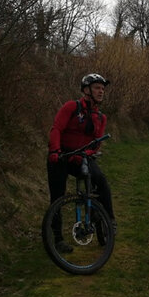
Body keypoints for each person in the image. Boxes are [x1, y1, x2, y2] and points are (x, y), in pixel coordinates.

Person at [47, 73, 115, 253]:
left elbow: (97, 142)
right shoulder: (71, 107)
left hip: (82, 156)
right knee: (57, 196)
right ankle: (58, 238)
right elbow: (56, 129)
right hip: (61, 155)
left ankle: (109, 221)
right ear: (86, 90)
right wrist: (55, 151)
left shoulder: (101, 117)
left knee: (100, 180)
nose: (101, 92)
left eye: (102, 89)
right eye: (97, 88)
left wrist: (85, 154)